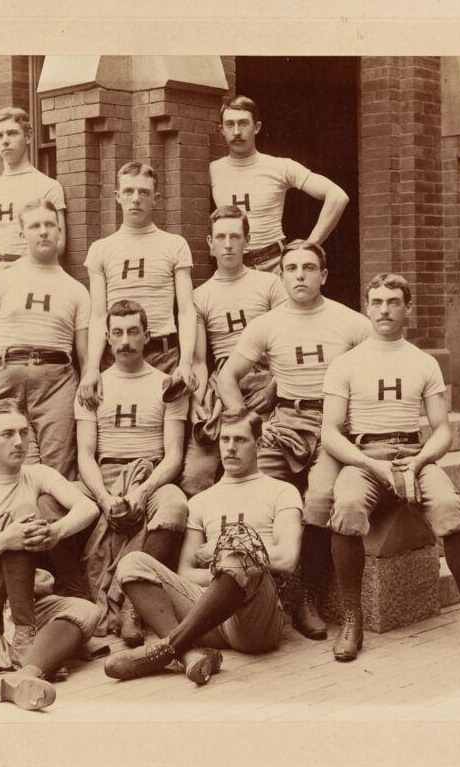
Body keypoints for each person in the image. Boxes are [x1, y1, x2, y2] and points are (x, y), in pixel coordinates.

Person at [321, 274, 460, 662]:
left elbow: (442, 430)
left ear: (408, 308)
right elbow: (330, 432)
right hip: (365, 456)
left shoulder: (423, 362)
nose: (384, 309)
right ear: (366, 307)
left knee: (451, 508)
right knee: (347, 508)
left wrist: (420, 460)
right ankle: (353, 618)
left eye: (393, 302)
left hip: (412, 454)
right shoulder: (346, 363)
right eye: (376, 302)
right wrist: (370, 464)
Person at [217, 240, 370, 640]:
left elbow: (382, 364)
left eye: (309, 268)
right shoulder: (267, 324)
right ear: (281, 276)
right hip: (283, 420)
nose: (300, 275)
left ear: (324, 274)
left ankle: (305, 596)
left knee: (320, 495)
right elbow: (227, 376)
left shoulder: (350, 322)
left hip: (332, 423)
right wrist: (250, 422)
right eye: (291, 268)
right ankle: (256, 589)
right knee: (255, 489)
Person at [105, 409, 301, 685]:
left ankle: (166, 650)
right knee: (132, 563)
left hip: (255, 619)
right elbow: (186, 571)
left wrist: (229, 555)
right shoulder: (201, 501)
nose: (230, 448)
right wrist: (225, 571)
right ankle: (191, 654)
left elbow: (288, 559)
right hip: (208, 618)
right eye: (225, 439)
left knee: (238, 548)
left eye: (240, 440)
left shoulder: (282, 491)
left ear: (258, 444)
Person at [0, 399, 101, 711]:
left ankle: (26, 673)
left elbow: (88, 507)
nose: (18, 442)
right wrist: (4, 539)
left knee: (87, 611)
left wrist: (56, 531)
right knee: (25, 514)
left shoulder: (37, 473)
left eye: (24, 433)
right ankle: (26, 636)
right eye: (7, 434)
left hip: (19, 597)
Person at [74, 300, 190, 643]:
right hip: (104, 476)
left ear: (147, 336)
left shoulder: (168, 384)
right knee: (50, 505)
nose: (125, 341)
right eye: (118, 333)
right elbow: (85, 455)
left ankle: (132, 604)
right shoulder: (92, 386)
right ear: (107, 337)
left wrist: (143, 491)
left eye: (133, 332)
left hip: (151, 474)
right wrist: (103, 496)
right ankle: (79, 594)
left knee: (175, 506)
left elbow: (174, 456)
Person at [0, 198, 89, 480]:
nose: (44, 231)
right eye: (35, 226)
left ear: (60, 231)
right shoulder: (1, 280)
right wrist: (3, 368)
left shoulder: (76, 290)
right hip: (6, 380)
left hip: (56, 384)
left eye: (50, 225)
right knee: (11, 463)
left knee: (58, 467)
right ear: (22, 233)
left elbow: (84, 357)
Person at [181, 204, 288, 495]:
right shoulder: (200, 296)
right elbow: (200, 361)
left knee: (264, 464)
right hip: (222, 387)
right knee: (195, 475)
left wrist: (275, 388)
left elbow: (288, 344)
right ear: (210, 243)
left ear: (247, 240)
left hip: (264, 381)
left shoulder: (270, 284)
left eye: (235, 236)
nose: (227, 244)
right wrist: (196, 401)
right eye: (220, 237)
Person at [77, 161, 197, 411]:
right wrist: (92, 367)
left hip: (163, 355)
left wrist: (186, 362)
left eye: (144, 192)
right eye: (129, 191)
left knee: (167, 424)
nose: (136, 199)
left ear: (155, 199)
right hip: (116, 354)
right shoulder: (101, 249)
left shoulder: (174, 244)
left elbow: (186, 310)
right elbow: (98, 315)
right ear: (117, 196)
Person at [211, 95, 349, 273]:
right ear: (222, 130)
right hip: (232, 268)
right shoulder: (212, 171)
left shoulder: (280, 166)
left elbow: (337, 196)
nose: (236, 131)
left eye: (243, 123)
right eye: (230, 124)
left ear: (257, 127)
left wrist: (309, 247)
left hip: (275, 265)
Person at [0, 106, 66, 283]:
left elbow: (58, 244)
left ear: (28, 136)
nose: (5, 141)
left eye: (12, 133)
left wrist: (14, 266)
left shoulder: (48, 186)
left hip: (30, 276)